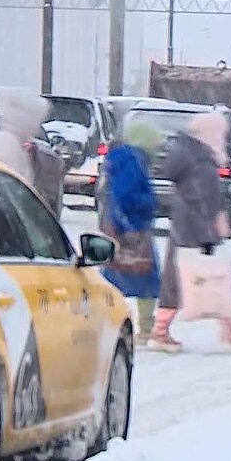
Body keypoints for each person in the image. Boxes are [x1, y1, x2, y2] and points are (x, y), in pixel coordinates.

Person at [150, 112, 231, 352]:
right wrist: (209, 227)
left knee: (202, 277)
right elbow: (200, 196)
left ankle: (228, 327)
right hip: (194, 228)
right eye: (220, 132)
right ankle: (161, 331)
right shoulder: (198, 159)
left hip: (189, 225)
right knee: (203, 277)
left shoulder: (194, 155)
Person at [99, 120, 166, 344]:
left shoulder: (126, 159)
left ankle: (107, 322)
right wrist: (147, 202)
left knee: (118, 274)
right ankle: (144, 328)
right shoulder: (133, 162)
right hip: (132, 227)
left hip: (121, 225)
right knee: (144, 275)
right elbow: (125, 194)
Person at [0, 88, 48, 184]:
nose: (37, 128)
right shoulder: (7, 146)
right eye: (37, 120)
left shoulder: (12, 143)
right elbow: (8, 186)